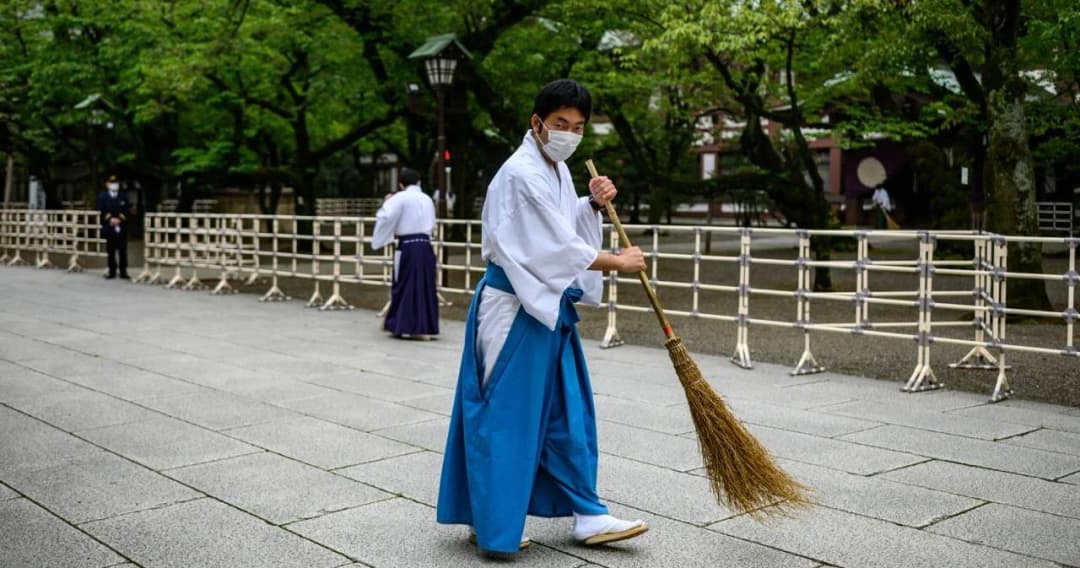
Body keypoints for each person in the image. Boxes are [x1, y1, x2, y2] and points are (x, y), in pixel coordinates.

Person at [437, 79, 649, 554]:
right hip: (512, 309)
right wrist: (615, 261)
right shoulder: (521, 174)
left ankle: (588, 513)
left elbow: (557, 225)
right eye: (560, 125)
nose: (570, 134)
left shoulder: (551, 167)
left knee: (565, 411)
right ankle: (492, 522)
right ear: (537, 124)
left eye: (578, 127)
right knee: (505, 416)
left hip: (546, 303)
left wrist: (591, 204)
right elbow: (548, 242)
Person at [371, 167, 439, 338]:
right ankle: (424, 326)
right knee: (425, 285)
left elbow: (385, 217)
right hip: (425, 245)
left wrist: (387, 203)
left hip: (407, 245)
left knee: (404, 283)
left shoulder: (399, 198)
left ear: (401, 184)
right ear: (419, 182)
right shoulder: (427, 199)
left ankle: (402, 325)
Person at [96, 174, 132, 279]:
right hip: (109, 226)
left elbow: (126, 210)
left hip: (121, 226)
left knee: (123, 250)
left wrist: (119, 219)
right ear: (107, 184)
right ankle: (112, 270)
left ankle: (123, 271)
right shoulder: (102, 197)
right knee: (110, 250)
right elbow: (101, 211)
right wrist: (110, 219)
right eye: (112, 183)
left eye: (116, 183)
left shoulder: (123, 196)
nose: (114, 185)